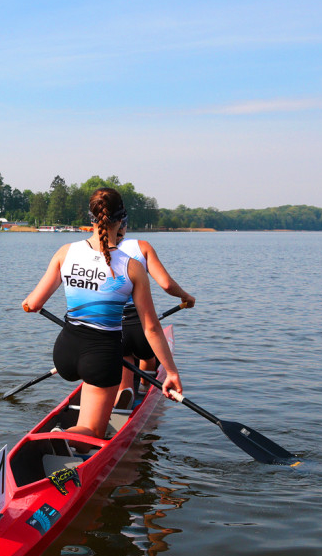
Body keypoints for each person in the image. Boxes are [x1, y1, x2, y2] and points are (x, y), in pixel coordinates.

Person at [22, 187, 182, 443]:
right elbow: (151, 328)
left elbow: (33, 303)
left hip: (65, 352)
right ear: (121, 221)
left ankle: (62, 434)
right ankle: (63, 437)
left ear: (92, 217)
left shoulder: (66, 252)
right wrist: (171, 373)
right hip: (101, 355)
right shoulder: (133, 267)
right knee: (93, 432)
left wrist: (28, 305)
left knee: (89, 380)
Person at [116, 223, 195, 401]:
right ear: (125, 225)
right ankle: (144, 388)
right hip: (139, 321)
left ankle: (125, 391)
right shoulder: (141, 246)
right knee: (147, 354)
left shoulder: (89, 248)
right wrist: (186, 297)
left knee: (123, 357)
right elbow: (166, 284)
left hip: (110, 323)